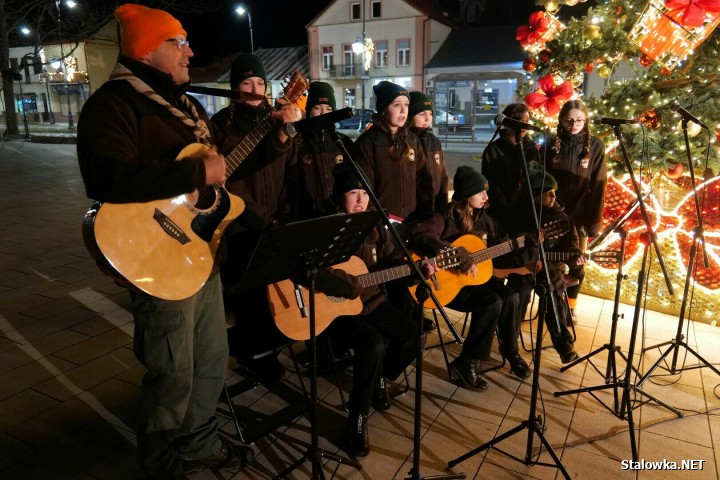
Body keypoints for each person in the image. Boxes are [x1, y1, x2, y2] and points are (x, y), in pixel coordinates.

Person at [76, 5, 251, 478]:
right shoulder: (114, 104)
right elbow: (105, 176)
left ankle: (196, 440)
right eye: (179, 42)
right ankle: (159, 460)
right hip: (156, 256)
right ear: (148, 50)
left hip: (198, 253)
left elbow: (219, 174)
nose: (190, 51)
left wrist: (274, 138)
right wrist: (194, 170)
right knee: (173, 370)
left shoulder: (186, 106)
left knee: (212, 358)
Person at [314, 163, 417, 457]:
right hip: (338, 312)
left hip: (372, 302)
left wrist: (413, 270)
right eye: (353, 193)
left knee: (413, 337)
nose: (360, 199)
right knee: (372, 345)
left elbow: (390, 262)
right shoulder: (327, 226)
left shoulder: (374, 226)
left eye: (364, 193)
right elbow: (311, 271)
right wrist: (341, 284)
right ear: (338, 197)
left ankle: (379, 380)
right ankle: (357, 420)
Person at [210, 53, 302, 383]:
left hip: (274, 221)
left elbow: (290, 168)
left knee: (277, 292)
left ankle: (269, 349)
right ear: (235, 87)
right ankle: (252, 355)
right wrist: (256, 218)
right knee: (249, 297)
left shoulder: (276, 119)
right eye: (247, 82)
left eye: (260, 82)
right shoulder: (220, 125)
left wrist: (286, 215)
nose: (254, 88)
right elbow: (225, 182)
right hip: (239, 225)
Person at [422, 167, 531, 390]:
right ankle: (466, 362)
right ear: (467, 194)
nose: (486, 197)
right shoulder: (445, 216)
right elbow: (422, 234)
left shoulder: (484, 219)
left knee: (509, 297)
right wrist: (457, 256)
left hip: (473, 281)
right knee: (492, 302)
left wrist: (525, 244)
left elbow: (504, 246)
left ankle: (511, 350)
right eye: (481, 192)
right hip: (448, 285)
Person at [352, 81, 440, 331]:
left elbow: (425, 180)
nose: (403, 111)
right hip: (382, 229)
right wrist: (378, 223)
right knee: (392, 283)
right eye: (396, 105)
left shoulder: (412, 141)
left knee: (410, 281)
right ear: (382, 109)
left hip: (409, 225)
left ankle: (408, 332)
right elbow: (364, 191)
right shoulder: (368, 144)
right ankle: (395, 336)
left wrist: (424, 215)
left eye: (406, 106)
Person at [508, 163, 583, 364]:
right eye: (549, 193)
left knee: (553, 291)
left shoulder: (561, 218)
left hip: (550, 267)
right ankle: (510, 343)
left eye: (554, 193)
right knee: (518, 294)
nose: (553, 198)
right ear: (534, 195)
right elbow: (507, 240)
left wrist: (575, 254)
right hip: (523, 267)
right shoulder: (517, 214)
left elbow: (570, 244)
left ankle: (564, 346)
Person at [546, 99, 606, 315]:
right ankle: (551, 303)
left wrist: (594, 223)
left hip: (579, 216)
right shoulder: (550, 143)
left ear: (586, 120)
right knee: (551, 261)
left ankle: (570, 307)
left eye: (579, 120)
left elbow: (599, 185)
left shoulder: (596, 146)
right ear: (561, 120)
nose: (574, 125)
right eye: (569, 121)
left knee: (578, 263)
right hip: (552, 215)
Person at [296, 81, 354, 219]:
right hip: (306, 218)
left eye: (328, 108)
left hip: (337, 216)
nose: (323, 113)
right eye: (317, 107)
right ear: (309, 111)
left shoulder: (343, 142)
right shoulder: (298, 143)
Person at [481, 103, 540, 233]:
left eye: (526, 121)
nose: (523, 126)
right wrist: (505, 203)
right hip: (501, 213)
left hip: (527, 212)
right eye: (519, 122)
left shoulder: (531, 149)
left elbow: (537, 178)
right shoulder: (493, 150)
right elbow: (490, 182)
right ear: (507, 123)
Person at [407, 91, 449, 213]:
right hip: (412, 212)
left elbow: (443, 178)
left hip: (435, 210)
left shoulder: (434, 141)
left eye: (430, 114)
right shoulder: (405, 142)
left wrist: (443, 208)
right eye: (421, 114)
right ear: (409, 115)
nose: (427, 118)